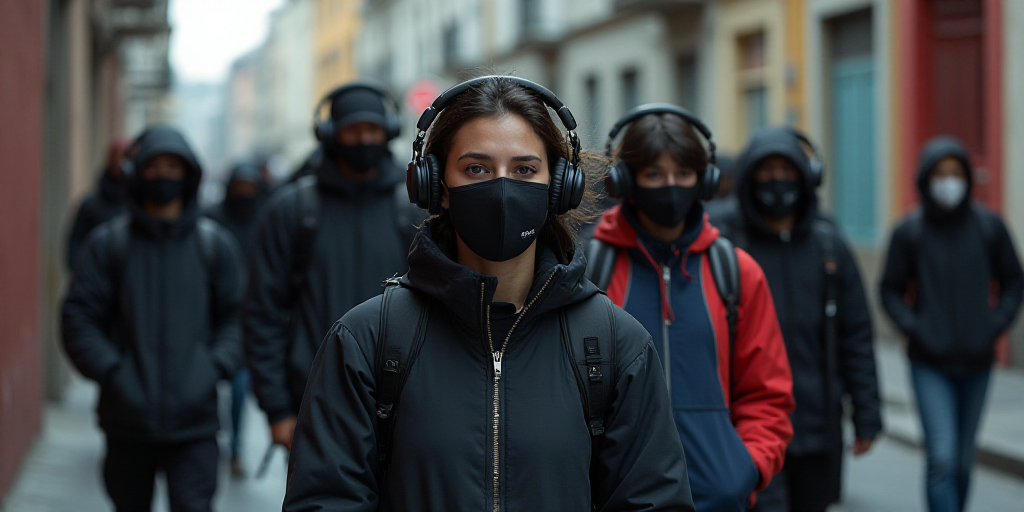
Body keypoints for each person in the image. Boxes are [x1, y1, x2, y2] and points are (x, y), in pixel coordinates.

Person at [283, 76, 694, 511]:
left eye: (524, 170)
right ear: (436, 185)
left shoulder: (616, 343)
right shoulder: (365, 341)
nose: (502, 188)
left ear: (558, 187)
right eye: (477, 168)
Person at [586, 104, 793, 512]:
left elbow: (768, 394)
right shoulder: (591, 269)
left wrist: (744, 469)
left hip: (718, 499)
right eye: (653, 175)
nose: (670, 186)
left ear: (705, 179)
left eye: (683, 174)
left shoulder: (737, 273)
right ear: (626, 181)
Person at [61, 125, 244, 512]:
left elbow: (238, 317)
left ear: (189, 175)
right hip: (125, 421)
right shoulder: (108, 245)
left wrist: (212, 367)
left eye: (173, 168)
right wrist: (114, 372)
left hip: (196, 424)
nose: (164, 175)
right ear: (136, 173)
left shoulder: (214, 246)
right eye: (154, 166)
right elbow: (79, 317)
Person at [244, 82, 417, 452]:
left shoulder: (414, 207)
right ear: (328, 134)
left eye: (372, 130)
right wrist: (277, 410)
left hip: (407, 407)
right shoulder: (291, 209)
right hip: (314, 404)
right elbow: (262, 312)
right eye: (353, 130)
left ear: (389, 132)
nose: (363, 139)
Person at [716, 127, 882, 512]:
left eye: (787, 170)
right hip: (747, 429)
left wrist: (866, 414)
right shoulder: (724, 246)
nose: (778, 181)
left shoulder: (829, 247)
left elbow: (855, 335)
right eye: (767, 170)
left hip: (817, 429)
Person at [880, 136, 1024, 512]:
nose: (948, 181)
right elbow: (890, 290)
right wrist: (916, 327)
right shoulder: (909, 231)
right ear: (926, 179)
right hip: (928, 363)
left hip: (978, 362)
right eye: (940, 173)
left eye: (955, 173)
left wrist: (994, 324)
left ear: (967, 177)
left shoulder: (989, 227)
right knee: (941, 456)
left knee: (961, 460)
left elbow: (1014, 280)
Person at [205, 161, 264, 477]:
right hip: (213, 317)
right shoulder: (213, 220)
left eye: (250, 189)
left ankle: (236, 448)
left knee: (240, 387)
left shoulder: (264, 220)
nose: (245, 195)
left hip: (248, 317)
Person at [67, 138, 129, 270]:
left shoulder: (139, 206)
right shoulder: (90, 205)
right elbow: (75, 243)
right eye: (116, 158)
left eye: (124, 158)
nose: (120, 164)